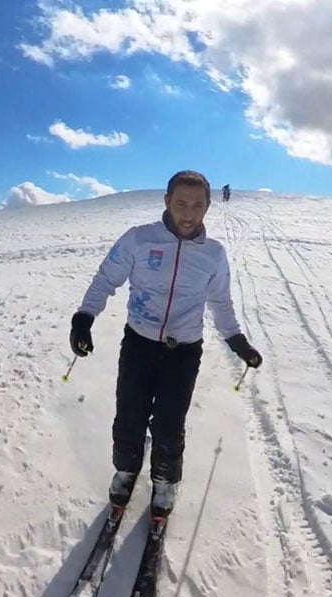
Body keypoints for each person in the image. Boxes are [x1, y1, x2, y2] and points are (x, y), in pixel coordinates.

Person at [69, 170, 263, 517]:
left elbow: (220, 302)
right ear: (166, 202)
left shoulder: (214, 255)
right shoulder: (139, 240)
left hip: (184, 351)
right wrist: (84, 317)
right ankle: (126, 471)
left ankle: (165, 480)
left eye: (197, 205)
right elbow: (106, 278)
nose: (188, 214)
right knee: (129, 416)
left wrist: (236, 340)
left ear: (207, 207)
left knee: (169, 424)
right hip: (139, 344)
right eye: (180, 204)